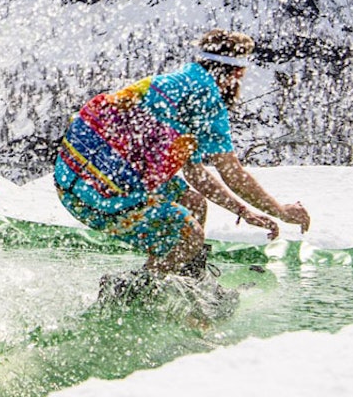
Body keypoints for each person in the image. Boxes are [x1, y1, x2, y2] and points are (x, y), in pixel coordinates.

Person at [53, 29, 310, 302]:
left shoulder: (178, 82)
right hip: (101, 193)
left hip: (72, 177)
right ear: (237, 73)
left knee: (194, 203)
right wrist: (281, 211)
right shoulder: (207, 98)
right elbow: (232, 173)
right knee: (189, 233)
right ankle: (131, 294)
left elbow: (196, 175)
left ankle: (185, 281)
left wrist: (242, 210)